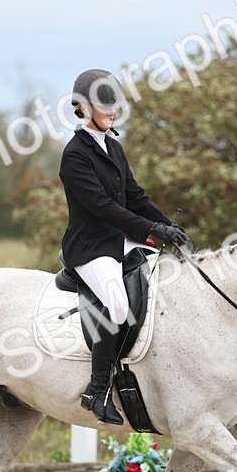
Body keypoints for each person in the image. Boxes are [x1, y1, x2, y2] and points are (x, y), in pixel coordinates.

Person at [59, 68, 192, 425]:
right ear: (84, 109)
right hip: (91, 247)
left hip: (121, 240)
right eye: (105, 107)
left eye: (114, 105)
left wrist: (168, 226)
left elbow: (133, 196)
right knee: (118, 306)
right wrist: (152, 228)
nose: (112, 112)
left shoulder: (113, 146)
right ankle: (97, 389)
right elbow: (103, 206)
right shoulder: (75, 155)